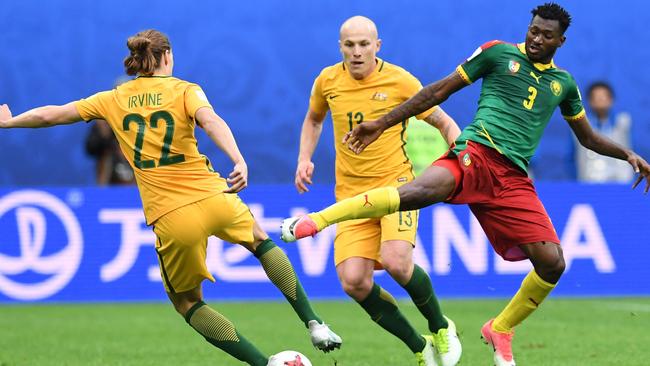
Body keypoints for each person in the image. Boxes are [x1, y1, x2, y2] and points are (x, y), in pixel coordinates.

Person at [281, 4, 650, 366]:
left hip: (512, 179)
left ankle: (500, 328)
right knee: (413, 198)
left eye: (546, 35)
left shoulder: (563, 84)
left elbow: (586, 137)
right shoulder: (496, 53)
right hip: (477, 152)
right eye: (533, 30)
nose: (537, 39)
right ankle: (321, 220)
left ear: (561, 41)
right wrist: (382, 123)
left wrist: (627, 154)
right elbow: (438, 92)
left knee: (553, 263)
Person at [0, 29, 341, 366]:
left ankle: (263, 364)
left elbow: (52, 114)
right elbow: (210, 120)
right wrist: (238, 159)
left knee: (188, 304)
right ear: (166, 57)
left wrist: (11, 122)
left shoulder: (113, 98)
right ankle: (315, 322)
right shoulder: (185, 90)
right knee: (262, 242)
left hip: (173, 216)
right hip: (214, 194)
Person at [293, 16, 461, 366]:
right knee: (354, 282)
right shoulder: (327, 80)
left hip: (396, 187)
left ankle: (441, 325)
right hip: (351, 198)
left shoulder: (400, 81)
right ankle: (420, 346)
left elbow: (443, 121)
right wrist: (304, 158)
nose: (356, 52)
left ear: (377, 46)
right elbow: (313, 118)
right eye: (349, 45)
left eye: (364, 44)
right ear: (340, 46)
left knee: (399, 263)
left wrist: (460, 158)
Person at [574, 81, 633, 182]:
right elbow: (571, 157)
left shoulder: (624, 122)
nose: (600, 99)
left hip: (622, 182)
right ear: (589, 101)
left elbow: (632, 149)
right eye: (596, 97)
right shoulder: (579, 124)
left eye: (604, 96)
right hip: (589, 182)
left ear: (611, 99)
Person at [85, 77, 136, 185]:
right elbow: (90, 149)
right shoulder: (103, 121)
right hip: (110, 177)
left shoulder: (140, 120)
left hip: (136, 177)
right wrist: (104, 133)